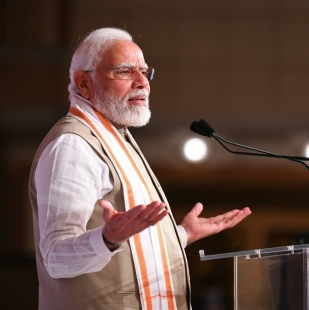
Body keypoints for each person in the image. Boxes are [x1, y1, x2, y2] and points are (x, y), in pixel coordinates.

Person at [29, 27, 251, 310]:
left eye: (145, 72)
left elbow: (128, 242)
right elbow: (57, 257)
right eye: (124, 72)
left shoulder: (115, 137)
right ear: (83, 82)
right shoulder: (73, 145)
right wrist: (109, 237)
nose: (142, 83)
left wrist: (178, 234)